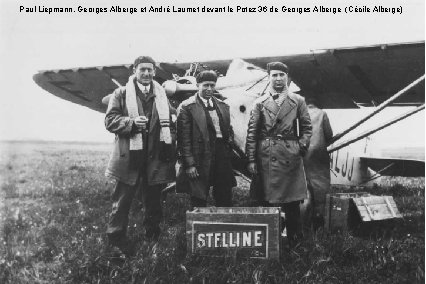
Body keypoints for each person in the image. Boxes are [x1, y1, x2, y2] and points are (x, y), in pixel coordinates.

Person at [104, 56, 176, 252]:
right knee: (122, 201)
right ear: (134, 71)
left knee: (154, 202)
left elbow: (171, 120)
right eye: (142, 69)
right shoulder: (121, 93)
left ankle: (152, 238)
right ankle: (116, 239)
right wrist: (131, 123)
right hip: (129, 158)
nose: (146, 73)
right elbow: (109, 121)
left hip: (154, 159)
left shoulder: (161, 95)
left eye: (150, 70)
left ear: (154, 72)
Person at [245, 62, 312, 245]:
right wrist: (251, 159)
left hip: (290, 155)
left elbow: (307, 128)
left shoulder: (298, 101)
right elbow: (252, 133)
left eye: (281, 75)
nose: (278, 79)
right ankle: (266, 244)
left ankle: (295, 243)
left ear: (287, 77)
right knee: (266, 202)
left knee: (292, 203)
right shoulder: (259, 103)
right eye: (274, 75)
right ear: (269, 78)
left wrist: (300, 146)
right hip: (266, 156)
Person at [176, 70, 236, 208]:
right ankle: (198, 226)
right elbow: (183, 138)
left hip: (221, 154)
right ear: (198, 85)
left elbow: (228, 130)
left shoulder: (223, 105)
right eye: (205, 85)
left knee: (224, 193)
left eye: (212, 85)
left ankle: (224, 225)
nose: (209, 89)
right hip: (200, 155)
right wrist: (189, 164)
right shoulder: (187, 107)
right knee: (199, 196)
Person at [303, 97, 333, 230]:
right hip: (318, 157)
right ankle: (318, 220)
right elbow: (329, 135)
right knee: (320, 187)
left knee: (302, 188)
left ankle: (303, 219)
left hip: (301, 156)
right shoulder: (322, 114)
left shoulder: (298, 114)